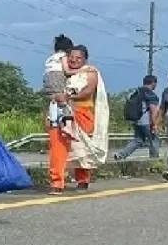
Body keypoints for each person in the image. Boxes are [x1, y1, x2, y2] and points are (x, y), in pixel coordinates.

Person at [46, 45, 110, 195]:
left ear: (85, 59)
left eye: (78, 58)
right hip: (59, 112)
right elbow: (51, 89)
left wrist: (68, 97)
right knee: (57, 147)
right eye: (71, 57)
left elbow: (87, 91)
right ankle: (57, 183)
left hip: (82, 113)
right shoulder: (60, 72)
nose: (74, 60)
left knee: (82, 148)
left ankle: (82, 179)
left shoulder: (90, 72)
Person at [113, 75, 161, 161]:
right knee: (154, 140)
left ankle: (121, 154)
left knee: (138, 140)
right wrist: (154, 124)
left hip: (137, 121)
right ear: (153, 83)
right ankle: (154, 161)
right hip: (147, 122)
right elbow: (153, 110)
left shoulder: (137, 92)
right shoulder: (151, 94)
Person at [43, 34, 79, 130]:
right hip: (57, 78)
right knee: (66, 100)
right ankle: (68, 125)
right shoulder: (63, 56)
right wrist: (81, 70)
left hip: (48, 82)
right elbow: (66, 71)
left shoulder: (50, 59)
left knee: (53, 102)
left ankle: (51, 123)